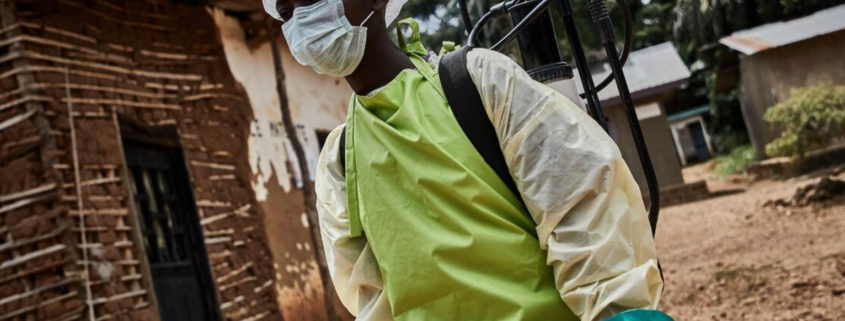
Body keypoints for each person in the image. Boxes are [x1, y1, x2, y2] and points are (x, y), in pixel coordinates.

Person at [263, 0, 665, 320]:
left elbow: (585, 207)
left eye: (311, 0)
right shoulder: (338, 160)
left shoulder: (478, 82)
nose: (301, 20)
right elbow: (370, 298)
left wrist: (620, 312)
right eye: (286, 13)